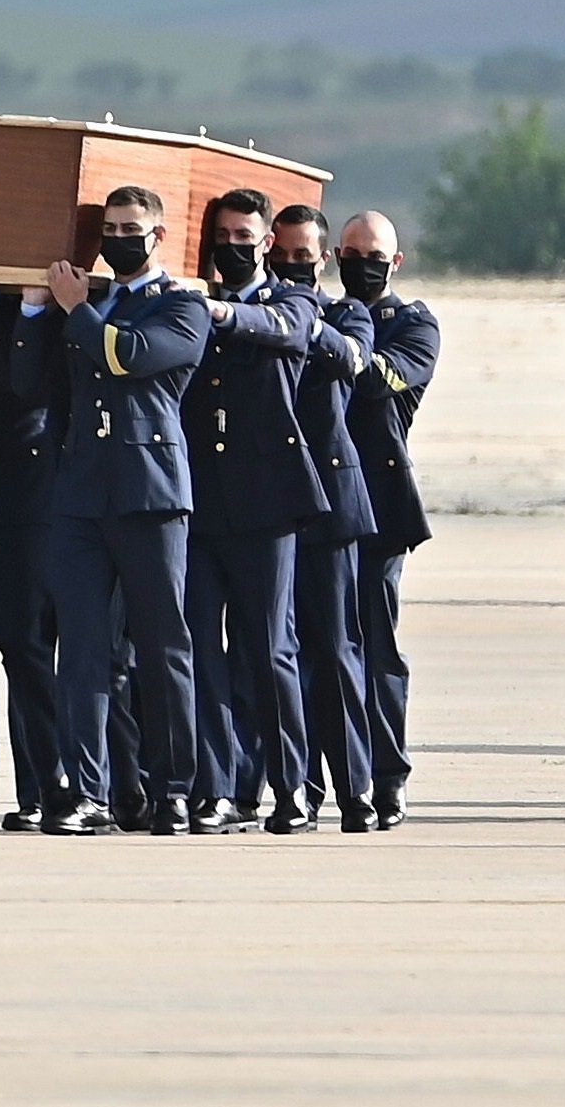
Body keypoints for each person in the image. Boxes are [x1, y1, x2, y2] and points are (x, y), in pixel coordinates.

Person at [14, 185, 210, 836]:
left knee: (163, 646)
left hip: (150, 491)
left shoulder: (182, 305)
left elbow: (128, 358)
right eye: (112, 226)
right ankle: (86, 789)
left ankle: (174, 788)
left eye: (133, 227)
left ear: (157, 237)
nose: (120, 237)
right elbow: (27, 384)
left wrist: (74, 310)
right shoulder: (85, 303)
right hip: (81, 493)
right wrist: (39, 314)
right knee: (84, 650)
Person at [180, 188, 329, 835]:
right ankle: (215, 788)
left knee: (270, 650)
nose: (234, 248)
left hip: (267, 501)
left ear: (267, 243)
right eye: (225, 237)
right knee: (202, 652)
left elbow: (286, 332)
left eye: (246, 238)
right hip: (200, 498)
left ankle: (289, 785)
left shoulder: (288, 299)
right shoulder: (188, 303)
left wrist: (216, 311)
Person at [274, 203, 380, 832]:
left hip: (332, 501)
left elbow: (353, 359)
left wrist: (301, 322)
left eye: (304, 257)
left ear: (325, 260)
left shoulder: (344, 313)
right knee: (278, 651)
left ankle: (355, 788)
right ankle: (296, 787)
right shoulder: (255, 316)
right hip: (268, 500)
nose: (293, 267)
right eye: (281, 256)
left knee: (337, 649)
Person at [338, 210, 441, 829]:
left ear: (394, 262)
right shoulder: (319, 314)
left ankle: (388, 775)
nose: (360, 263)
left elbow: (378, 379)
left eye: (372, 254)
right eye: (350, 252)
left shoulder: (414, 323)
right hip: (315, 499)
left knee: (378, 647)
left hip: (379, 506)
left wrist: (334, 342)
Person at [0, 281, 65, 831]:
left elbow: (25, 383)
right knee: (22, 641)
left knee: (89, 650)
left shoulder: (84, 298)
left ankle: (84, 782)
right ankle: (40, 784)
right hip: (6, 495)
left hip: (56, 483)